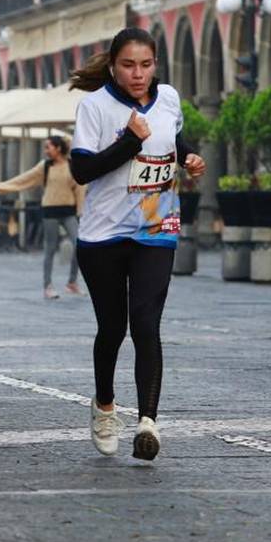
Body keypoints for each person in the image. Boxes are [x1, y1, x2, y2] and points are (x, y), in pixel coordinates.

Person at [68, 27, 206, 462]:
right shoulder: (94, 106)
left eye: (146, 65)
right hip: (103, 234)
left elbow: (172, 140)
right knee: (113, 328)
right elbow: (82, 171)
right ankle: (105, 406)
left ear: (156, 66)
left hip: (156, 229)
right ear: (112, 65)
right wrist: (129, 141)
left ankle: (148, 421)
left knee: (146, 322)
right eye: (129, 65)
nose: (138, 73)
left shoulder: (168, 98)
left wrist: (188, 157)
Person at [0, 135, 85, 299]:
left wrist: (80, 211)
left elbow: (80, 188)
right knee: (50, 248)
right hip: (50, 210)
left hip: (69, 211)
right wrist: (1, 187)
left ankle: (72, 282)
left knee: (80, 245)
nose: (46, 150)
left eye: (48, 147)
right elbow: (24, 179)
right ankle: (47, 286)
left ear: (58, 148)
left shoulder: (72, 165)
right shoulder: (45, 166)